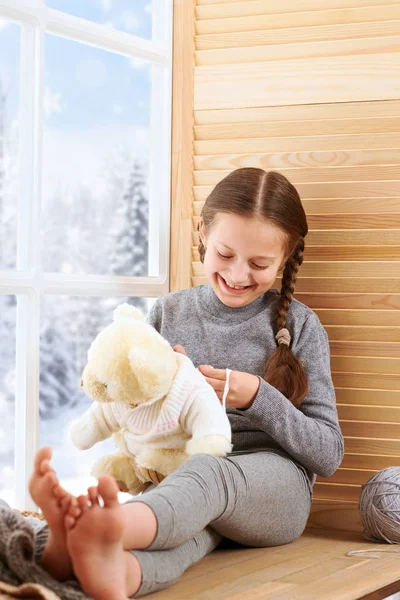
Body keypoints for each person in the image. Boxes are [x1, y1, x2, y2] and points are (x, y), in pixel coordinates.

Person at [29, 168, 344, 599]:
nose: (237, 274)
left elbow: (327, 454)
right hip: (184, 483)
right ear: (202, 232)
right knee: (191, 533)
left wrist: (256, 396)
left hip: (275, 494)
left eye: (259, 264)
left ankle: (105, 529)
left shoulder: (303, 327)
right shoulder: (168, 314)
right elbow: (133, 411)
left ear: (285, 259)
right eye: (225, 253)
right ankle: (114, 571)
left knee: (208, 472)